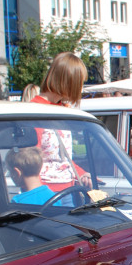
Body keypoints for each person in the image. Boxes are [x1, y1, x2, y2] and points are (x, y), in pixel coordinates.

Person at [27, 52, 91, 189]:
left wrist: (82, 173)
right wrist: (38, 192)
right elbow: (31, 161)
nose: (81, 89)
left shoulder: (62, 108)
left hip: (69, 187)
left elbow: (62, 157)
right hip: (47, 190)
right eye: (79, 83)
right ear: (69, 81)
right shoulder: (35, 109)